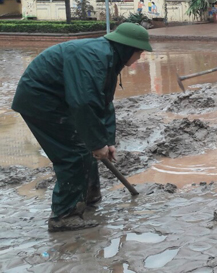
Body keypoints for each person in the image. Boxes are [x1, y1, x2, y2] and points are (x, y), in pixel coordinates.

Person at [11, 23, 152, 232]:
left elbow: (104, 103)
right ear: (127, 48)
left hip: (60, 101)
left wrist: (107, 141)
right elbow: (83, 103)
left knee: (86, 147)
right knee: (73, 155)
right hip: (41, 103)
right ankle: (64, 216)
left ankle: (87, 197)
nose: (139, 58)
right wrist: (96, 143)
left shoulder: (109, 59)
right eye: (139, 53)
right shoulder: (94, 57)